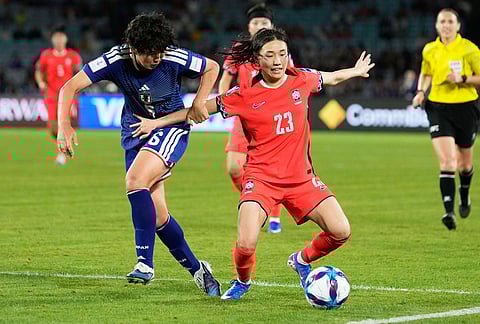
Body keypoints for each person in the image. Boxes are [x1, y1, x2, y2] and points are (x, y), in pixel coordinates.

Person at [130, 27, 374, 300]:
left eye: (282, 53)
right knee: (246, 244)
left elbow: (330, 77)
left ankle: (302, 260)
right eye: (270, 55)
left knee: (341, 231)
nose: (278, 60)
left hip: (301, 179)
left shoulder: (301, 79)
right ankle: (242, 281)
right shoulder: (244, 94)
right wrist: (156, 122)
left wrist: (354, 71)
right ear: (257, 60)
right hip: (261, 179)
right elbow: (196, 110)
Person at [56, 12, 221, 295]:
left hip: (170, 127)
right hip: (136, 132)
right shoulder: (114, 60)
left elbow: (212, 67)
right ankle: (198, 270)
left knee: (134, 182)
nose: (155, 58)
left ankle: (145, 263)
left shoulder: (172, 56)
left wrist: (199, 101)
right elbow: (69, 87)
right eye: (148, 54)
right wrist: (64, 127)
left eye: (159, 52)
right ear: (132, 48)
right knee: (157, 216)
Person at [218, 3, 293, 234]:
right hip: (244, 116)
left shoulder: (280, 51)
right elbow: (226, 78)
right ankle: (255, 200)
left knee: (274, 168)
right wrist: (223, 101)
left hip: (271, 118)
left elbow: (292, 80)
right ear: (249, 26)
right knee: (233, 168)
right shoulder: (239, 50)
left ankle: (273, 215)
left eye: (264, 22)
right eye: (256, 22)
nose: (260, 25)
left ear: (271, 26)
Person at [412, 8, 480, 230]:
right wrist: (421, 91)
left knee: (465, 164)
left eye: (451, 21)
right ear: (436, 25)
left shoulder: (469, 49)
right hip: (438, 108)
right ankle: (449, 211)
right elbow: (426, 72)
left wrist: (462, 78)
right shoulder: (430, 49)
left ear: (458, 26)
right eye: (442, 21)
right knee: (448, 162)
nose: (446, 25)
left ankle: (464, 194)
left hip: (466, 107)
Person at [35, 25, 82, 165]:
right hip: (51, 94)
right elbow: (38, 71)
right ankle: (62, 146)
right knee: (53, 127)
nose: (59, 42)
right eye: (57, 39)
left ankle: (62, 152)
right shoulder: (46, 55)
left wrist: (76, 92)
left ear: (65, 41)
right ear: (53, 41)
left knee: (65, 123)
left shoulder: (73, 56)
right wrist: (40, 82)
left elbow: (79, 74)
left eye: (61, 39)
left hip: (67, 94)